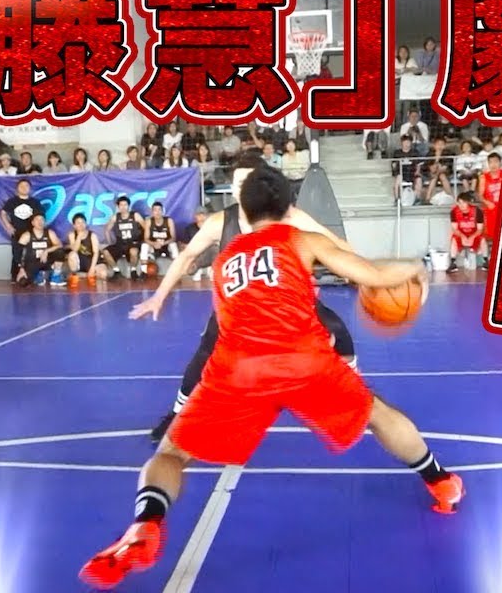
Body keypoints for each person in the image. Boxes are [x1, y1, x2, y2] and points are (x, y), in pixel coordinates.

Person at [80, 165, 464, 590]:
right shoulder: (301, 239)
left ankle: (147, 522)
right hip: (302, 360)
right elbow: (373, 275)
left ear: (243, 209)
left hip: (237, 368)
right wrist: (414, 267)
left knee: (171, 452)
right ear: (288, 207)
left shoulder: (226, 261)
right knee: (378, 413)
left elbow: (229, 315)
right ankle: (441, 482)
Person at [138, 152, 359, 443]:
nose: (241, 189)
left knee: (340, 333)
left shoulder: (290, 216)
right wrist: (159, 296)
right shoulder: (220, 221)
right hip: (238, 308)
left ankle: (351, 396)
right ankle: (177, 414)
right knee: (204, 357)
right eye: (237, 183)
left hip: (287, 302)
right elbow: (187, 256)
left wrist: (360, 268)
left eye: (248, 182)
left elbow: (334, 242)